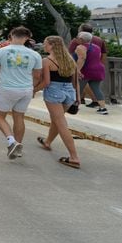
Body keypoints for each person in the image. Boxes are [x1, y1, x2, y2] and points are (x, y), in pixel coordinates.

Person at [0, 26, 42, 160]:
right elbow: (37, 76)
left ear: (11, 36)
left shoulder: (0, 52)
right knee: (19, 117)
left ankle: (12, 141)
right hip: (26, 89)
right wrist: (32, 88)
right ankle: (18, 148)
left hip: (7, 89)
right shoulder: (35, 54)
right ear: (27, 38)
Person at [34, 36, 81, 169]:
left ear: (52, 46)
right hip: (69, 92)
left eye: (45, 44)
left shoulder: (47, 61)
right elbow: (75, 81)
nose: (44, 46)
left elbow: (46, 82)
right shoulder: (70, 59)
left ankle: (74, 157)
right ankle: (47, 142)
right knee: (57, 119)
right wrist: (77, 98)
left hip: (54, 92)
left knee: (61, 124)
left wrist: (34, 90)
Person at [68, 23, 107, 108]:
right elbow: (103, 55)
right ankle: (103, 108)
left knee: (77, 88)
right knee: (96, 89)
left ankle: (74, 106)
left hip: (85, 70)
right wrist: (101, 66)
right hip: (98, 69)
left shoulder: (79, 45)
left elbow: (80, 58)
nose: (76, 38)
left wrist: (76, 70)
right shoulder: (97, 44)